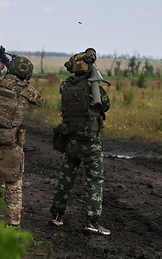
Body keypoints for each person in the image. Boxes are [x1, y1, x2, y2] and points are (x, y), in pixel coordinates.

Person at [49, 48, 111, 235]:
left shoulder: (65, 86)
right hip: (90, 142)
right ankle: (91, 221)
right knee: (94, 180)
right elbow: (105, 105)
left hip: (71, 141)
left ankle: (57, 215)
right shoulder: (93, 87)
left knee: (66, 178)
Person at [0, 56, 43, 226]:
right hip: (11, 146)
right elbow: (39, 100)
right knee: (13, 187)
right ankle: (13, 227)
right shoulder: (25, 89)